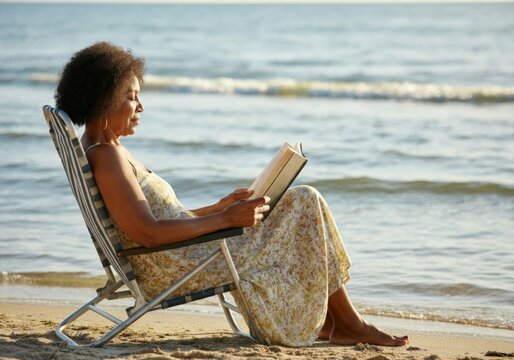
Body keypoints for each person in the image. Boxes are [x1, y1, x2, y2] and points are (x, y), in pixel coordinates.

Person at [55, 42, 408, 347]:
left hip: (182, 255)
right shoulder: (109, 157)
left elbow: (158, 221)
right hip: (178, 266)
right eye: (132, 98)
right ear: (104, 100)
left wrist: (219, 208)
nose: (141, 107)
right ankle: (346, 324)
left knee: (299, 203)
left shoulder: (102, 149)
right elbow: (147, 233)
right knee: (303, 201)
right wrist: (224, 220)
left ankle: (339, 322)